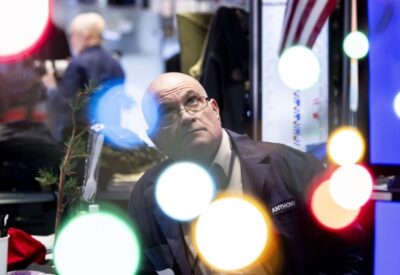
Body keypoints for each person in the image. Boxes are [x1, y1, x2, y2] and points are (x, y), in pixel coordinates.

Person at [128, 72, 365, 274]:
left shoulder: (291, 166)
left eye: (192, 101)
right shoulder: (147, 195)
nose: (187, 116)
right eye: (168, 113)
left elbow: (351, 253)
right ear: (155, 138)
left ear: (214, 109)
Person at [42, 12, 125, 142]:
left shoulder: (78, 64)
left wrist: (52, 88)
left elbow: (67, 106)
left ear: (85, 35)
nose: (72, 42)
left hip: (82, 140)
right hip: (111, 139)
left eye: (73, 35)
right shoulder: (116, 65)